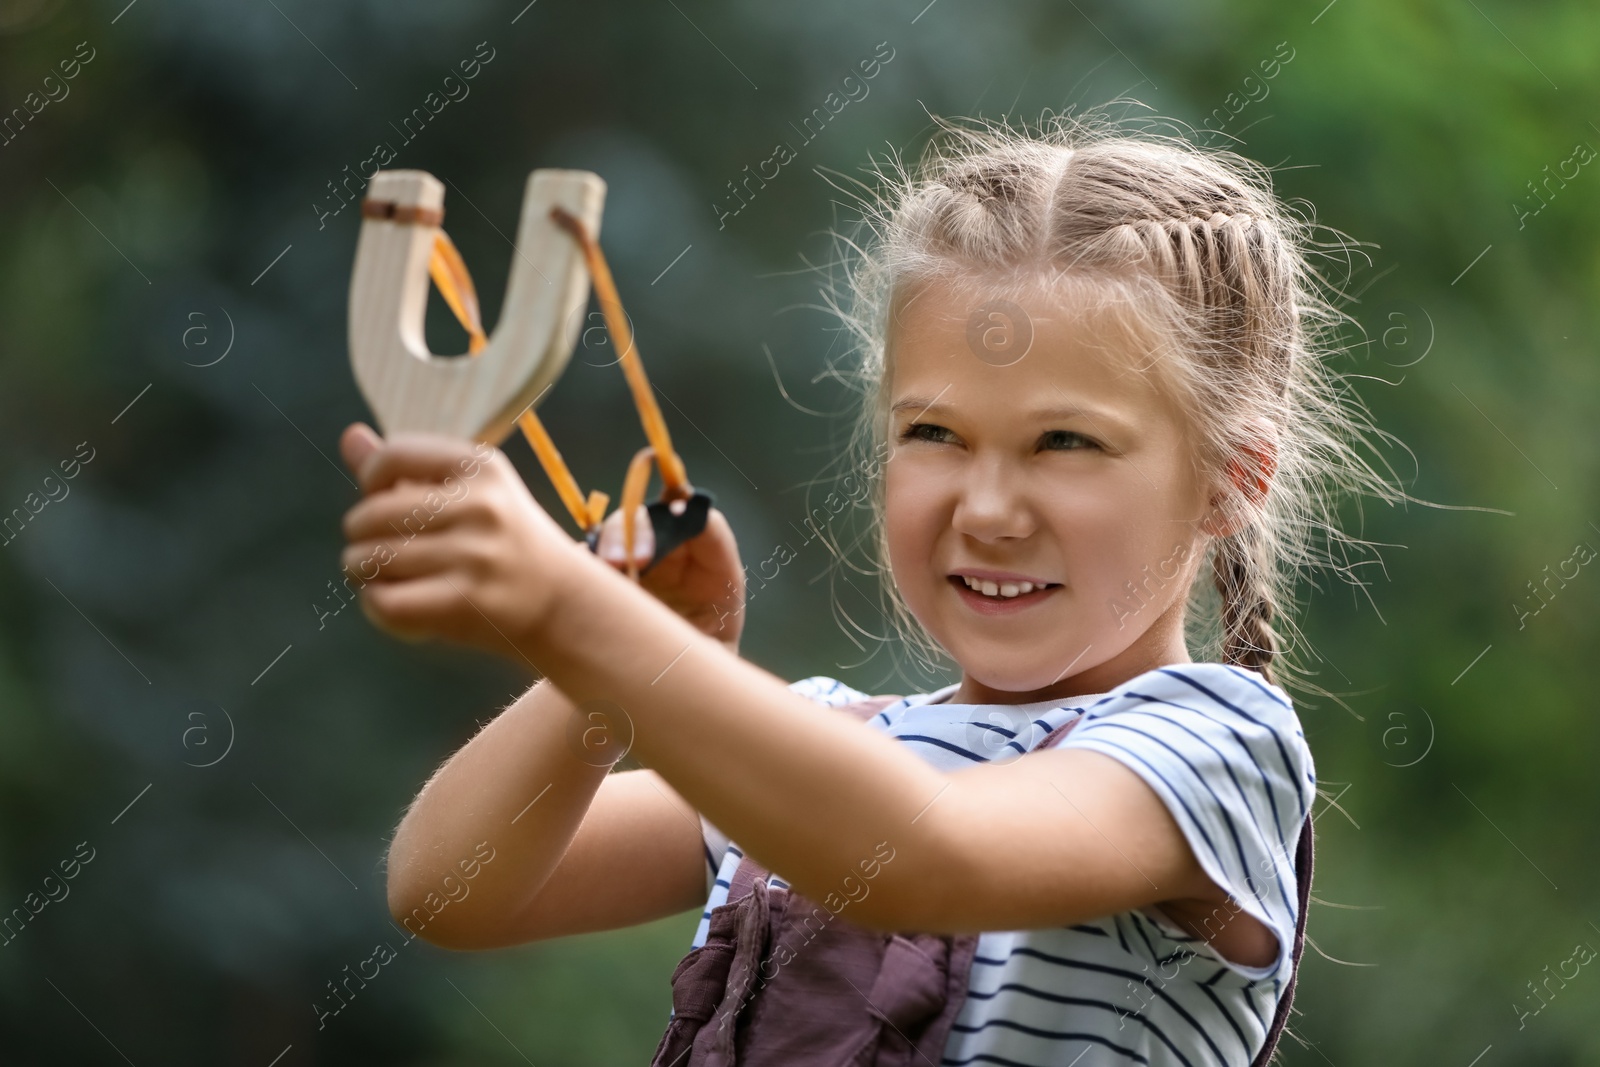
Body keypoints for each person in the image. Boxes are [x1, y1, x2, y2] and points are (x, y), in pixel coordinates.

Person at [338, 110, 1403, 1064]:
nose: (986, 506)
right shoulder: (823, 743)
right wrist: (600, 674)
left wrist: (572, 607)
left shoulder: (1214, 746)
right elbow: (449, 887)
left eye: (1065, 441)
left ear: (1228, 481)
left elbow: (922, 854)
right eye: (933, 432)